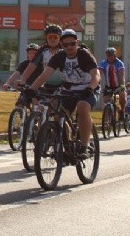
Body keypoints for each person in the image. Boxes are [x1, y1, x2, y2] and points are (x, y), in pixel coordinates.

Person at [28, 29, 100, 159]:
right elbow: (45, 74)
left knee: (83, 107)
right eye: (66, 45)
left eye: (72, 44)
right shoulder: (59, 56)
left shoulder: (84, 55)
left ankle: (84, 146)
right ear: (61, 45)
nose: (69, 47)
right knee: (56, 113)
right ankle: (67, 145)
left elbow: (96, 74)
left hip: (88, 88)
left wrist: (90, 88)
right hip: (69, 89)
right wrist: (32, 89)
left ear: (77, 42)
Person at [98, 47, 126, 113]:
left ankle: (122, 111)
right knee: (106, 101)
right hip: (108, 86)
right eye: (108, 55)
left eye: (111, 55)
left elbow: (121, 77)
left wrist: (122, 87)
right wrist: (97, 83)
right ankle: (112, 110)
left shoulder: (119, 63)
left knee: (122, 96)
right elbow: (99, 74)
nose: (110, 57)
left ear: (115, 55)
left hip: (119, 85)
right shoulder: (103, 63)